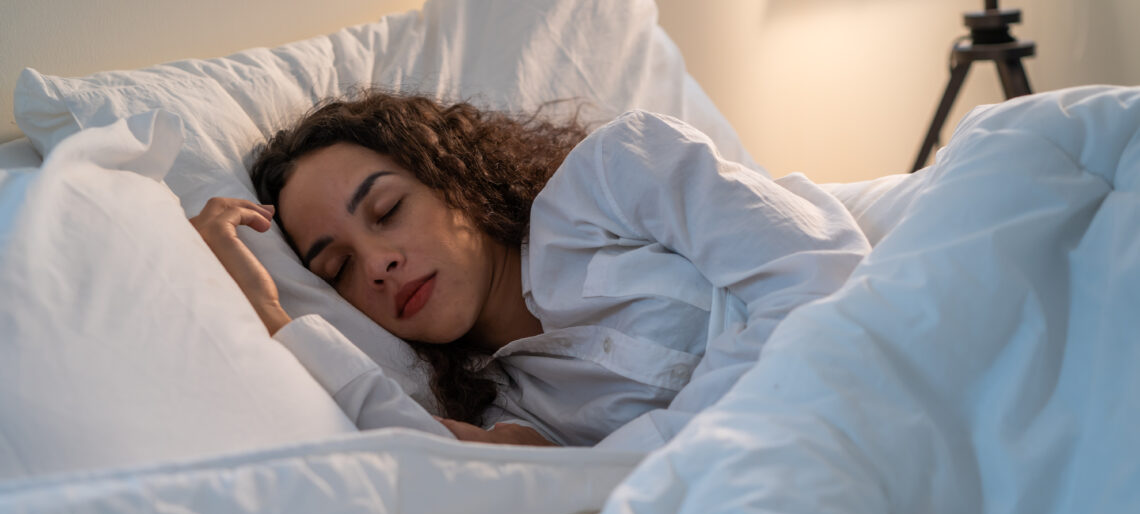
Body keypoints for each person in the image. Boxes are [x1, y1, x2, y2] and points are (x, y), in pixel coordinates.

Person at [191, 91, 870, 450]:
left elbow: (820, 274)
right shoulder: (515, 414)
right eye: (337, 269)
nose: (378, 264)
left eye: (389, 209)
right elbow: (418, 457)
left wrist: (644, 455)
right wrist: (269, 313)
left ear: (449, 173)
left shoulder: (614, 174)